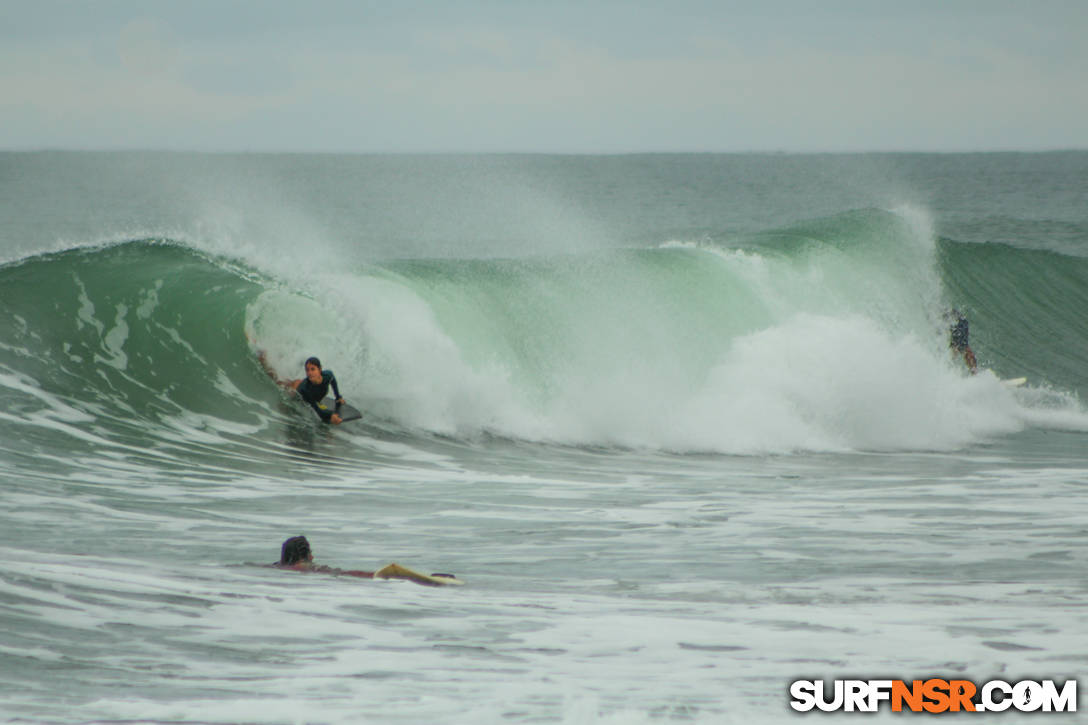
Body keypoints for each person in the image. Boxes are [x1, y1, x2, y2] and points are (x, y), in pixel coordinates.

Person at [275, 535, 373, 578]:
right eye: (310, 553)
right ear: (305, 555)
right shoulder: (305, 566)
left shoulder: (279, 566)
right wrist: (371, 575)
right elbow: (342, 573)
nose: (313, 557)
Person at [947, 309, 978, 374]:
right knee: (957, 348)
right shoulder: (962, 346)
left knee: (957, 348)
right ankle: (974, 371)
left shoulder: (962, 346)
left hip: (960, 321)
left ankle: (974, 370)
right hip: (960, 321)